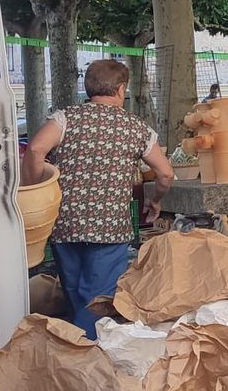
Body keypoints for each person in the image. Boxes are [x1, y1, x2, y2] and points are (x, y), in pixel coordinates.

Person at [22, 59, 174, 337]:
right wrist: (155, 200)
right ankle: (85, 349)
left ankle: (73, 343)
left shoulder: (65, 119)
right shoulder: (137, 128)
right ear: (121, 89)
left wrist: (34, 190)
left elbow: (34, 150)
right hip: (110, 228)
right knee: (97, 300)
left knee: (73, 292)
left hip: (65, 223)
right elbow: (165, 173)